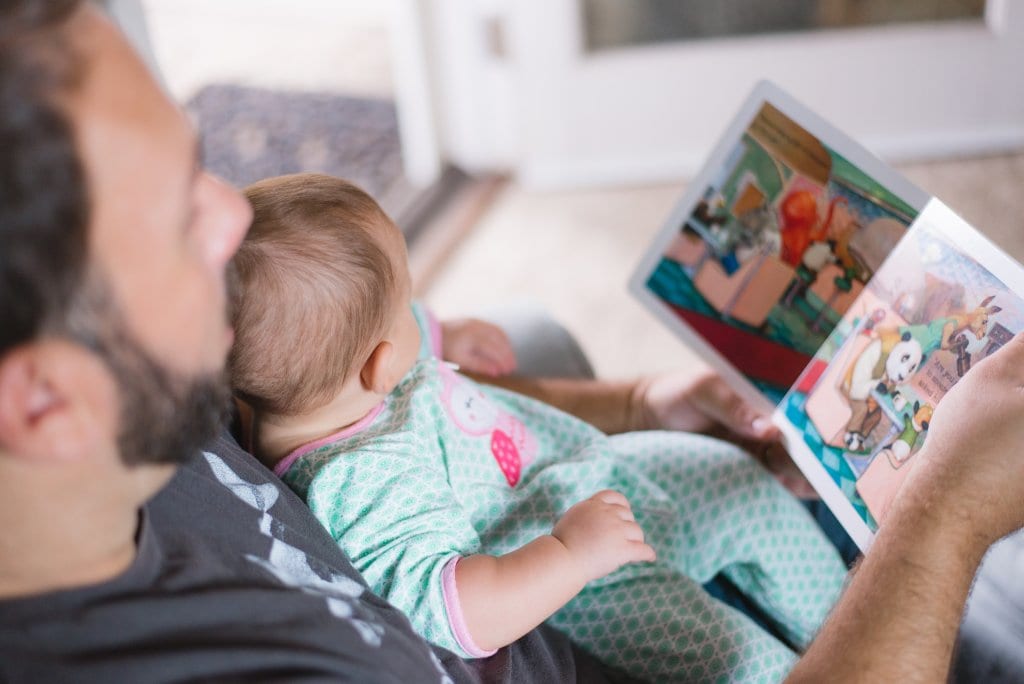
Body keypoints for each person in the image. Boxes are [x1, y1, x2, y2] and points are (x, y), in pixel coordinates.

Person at [0, 1, 1022, 682]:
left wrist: (632, 402)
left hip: (606, 497)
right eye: (178, 216)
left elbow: (403, 401)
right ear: (43, 403)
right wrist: (944, 517)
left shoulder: (162, 375)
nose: (233, 215)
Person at [228, 172, 847, 681]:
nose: (417, 311)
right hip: (588, 579)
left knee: (735, 477)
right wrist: (570, 554)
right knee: (742, 665)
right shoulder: (362, 481)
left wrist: (443, 332)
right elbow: (458, 610)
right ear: (380, 364)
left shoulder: (324, 383)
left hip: (584, 470)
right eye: (407, 304)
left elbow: (375, 330)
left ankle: (847, 621)